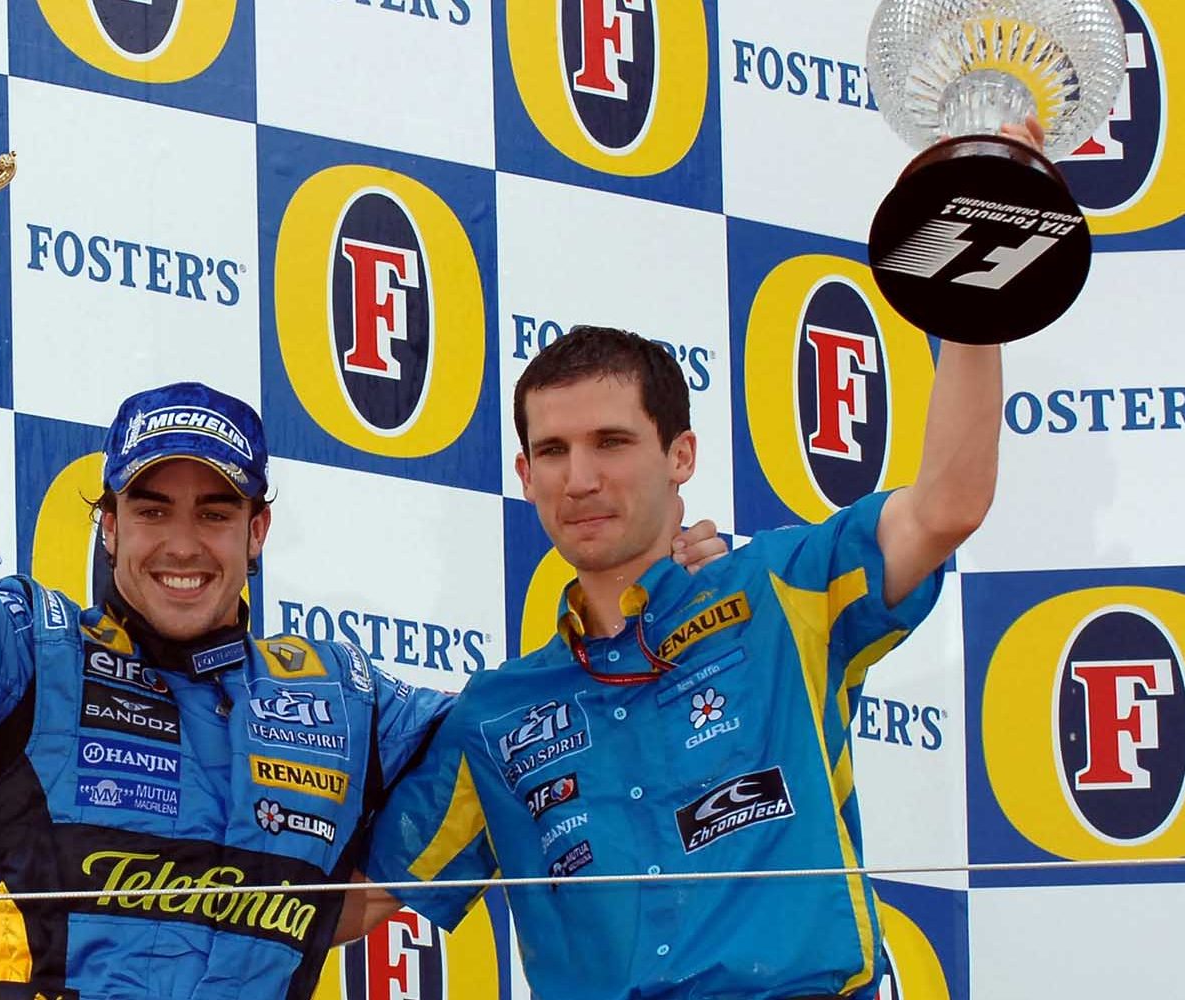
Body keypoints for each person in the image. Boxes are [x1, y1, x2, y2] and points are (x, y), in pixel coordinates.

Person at [0, 298, 729, 999]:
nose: (182, 544)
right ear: (108, 524)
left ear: (257, 532)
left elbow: (531, 738)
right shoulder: (33, 653)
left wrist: (663, 601)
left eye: (215, 513)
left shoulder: (343, 697)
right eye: (152, 508)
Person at [358, 319, 1002, 999]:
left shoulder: (778, 589)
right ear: (524, 475)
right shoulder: (496, 711)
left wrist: (973, 316)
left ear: (681, 455)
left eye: (611, 442)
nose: (579, 479)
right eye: (552, 450)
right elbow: (349, 901)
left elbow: (946, 508)